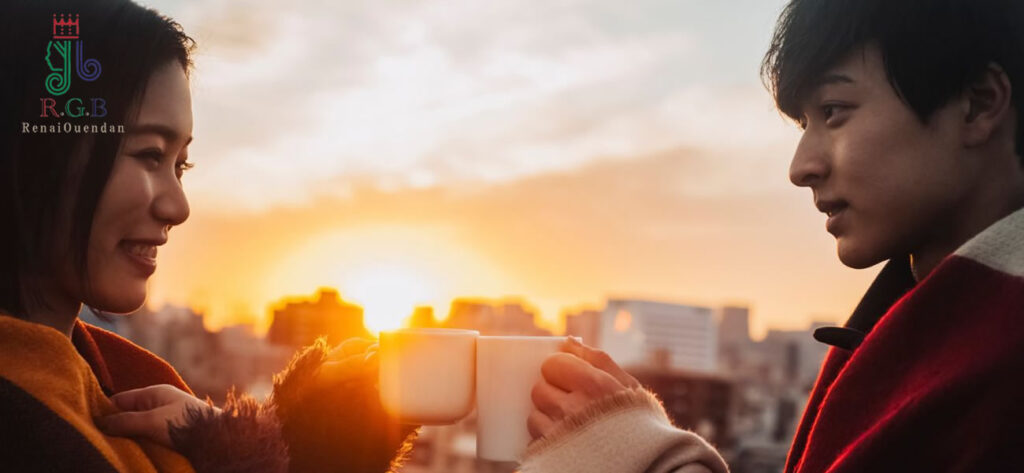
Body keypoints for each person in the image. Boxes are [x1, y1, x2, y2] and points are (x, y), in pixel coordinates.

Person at [519, 0, 1024, 472]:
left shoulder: (1001, 366)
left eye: (834, 111)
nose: (801, 167)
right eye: (805, 123)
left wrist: (641, 455)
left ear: (978, 105)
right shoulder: (934, 321)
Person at [0, 1, 416, 472]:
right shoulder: (29, 427)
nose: (178, 208)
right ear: (36, 153)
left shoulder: (134, 383)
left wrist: (288, 441)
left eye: (181, 165)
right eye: (150, 155)